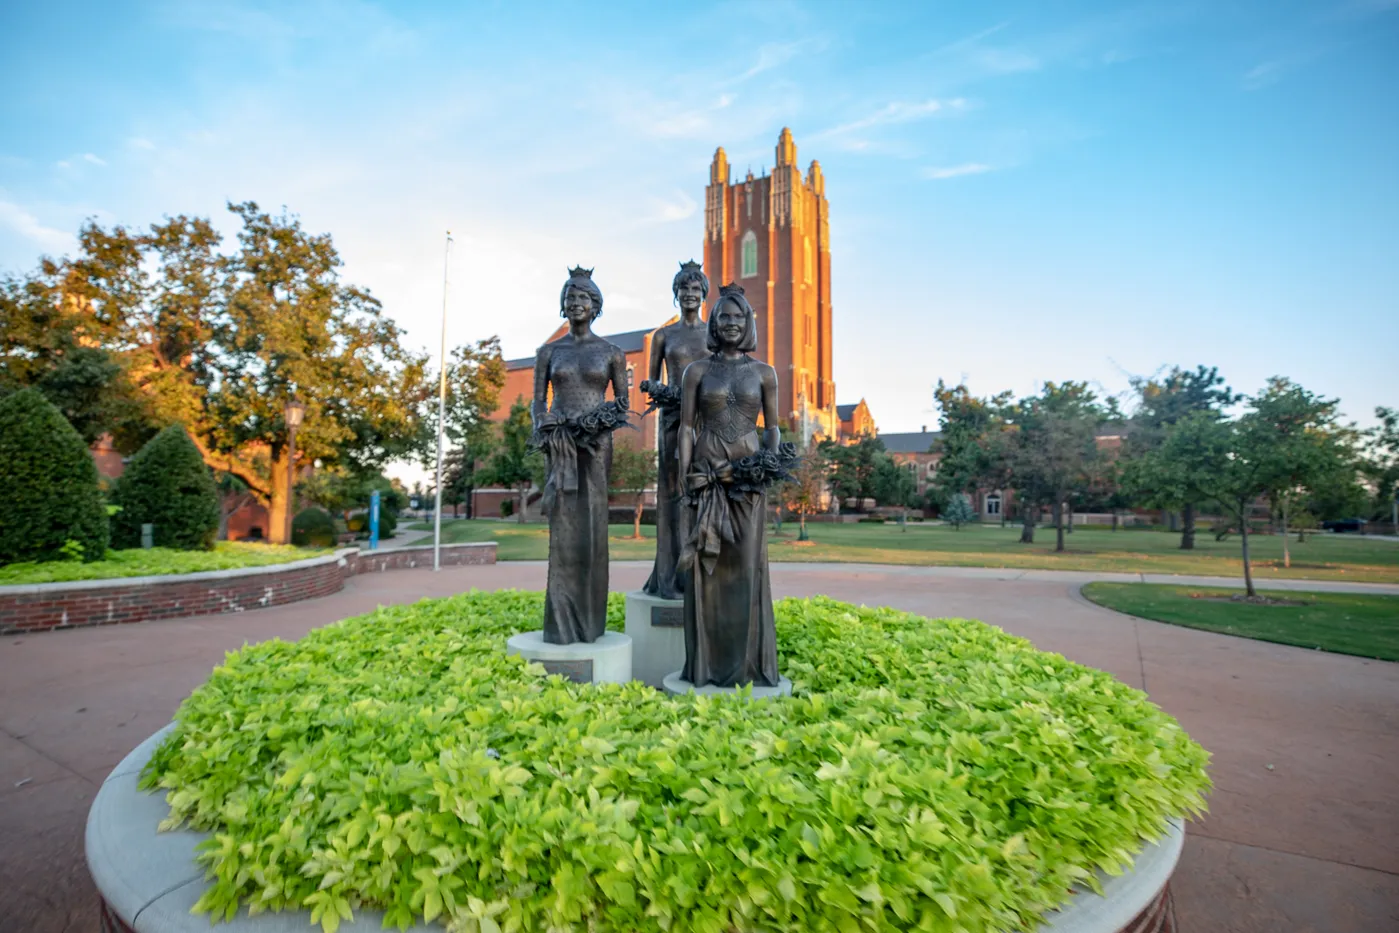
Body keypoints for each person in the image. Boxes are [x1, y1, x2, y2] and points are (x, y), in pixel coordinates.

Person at [677, 283, 781, 687]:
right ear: (714, 324)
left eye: (738, 317)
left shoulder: (765, 373)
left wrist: (768, 464)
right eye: (723, 317)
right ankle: (707, 665)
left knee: (746, 566)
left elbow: (771, 430)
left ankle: (747, 666)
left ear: (748, 322)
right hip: (707, 475)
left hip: (749, 480)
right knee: (709, 567)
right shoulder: (697, 371)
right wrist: (687, 476)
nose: (731, 323)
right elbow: (687, 427)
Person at [532, 267, 629, 644]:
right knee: (563, 528)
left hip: (596, 446)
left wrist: (596, 423)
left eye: (583, 298)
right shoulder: (548, 352)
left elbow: (622, 405)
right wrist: (543, 423)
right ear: (563, 305)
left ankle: (590, 621)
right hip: (560, 444)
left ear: (595, 305)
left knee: (592, 526)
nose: (576, 304)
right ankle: (559, 621)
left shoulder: (612, 353)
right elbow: (538, 400)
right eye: (570, 298)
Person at [640, 260, 711, 600]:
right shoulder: (663, 336)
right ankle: (669, 576)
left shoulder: (712, 333)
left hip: (706, 424)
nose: (689, 294)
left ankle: (701, 572)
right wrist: (666, 394)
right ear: (676, 293)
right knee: (673, 495)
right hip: (671, 422)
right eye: (683, 289)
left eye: (695, 289)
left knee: (703, 493)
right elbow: (653, 381)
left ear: (704, 295)